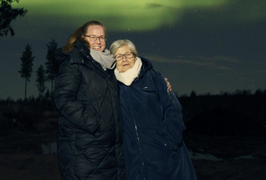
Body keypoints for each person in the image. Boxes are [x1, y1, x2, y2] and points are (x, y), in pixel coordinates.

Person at [109, 39, 196, 180]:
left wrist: (170, 142)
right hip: (131, 155)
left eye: (128, 54)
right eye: (118, 56)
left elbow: (173, 109)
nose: (124, 59)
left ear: (135, 56)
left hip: (161, 150)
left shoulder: (153, 78)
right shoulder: (111, 85)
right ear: (113, 60)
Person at [54, 20, 125, 180]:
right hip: (85, 149)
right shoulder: (74, 62)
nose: (98, 42)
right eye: (93, 37)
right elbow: (63, 98)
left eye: (102, 37)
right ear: (82, 37)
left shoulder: (107, 65)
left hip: (109, 150)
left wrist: (159, 82)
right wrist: (94, 123)